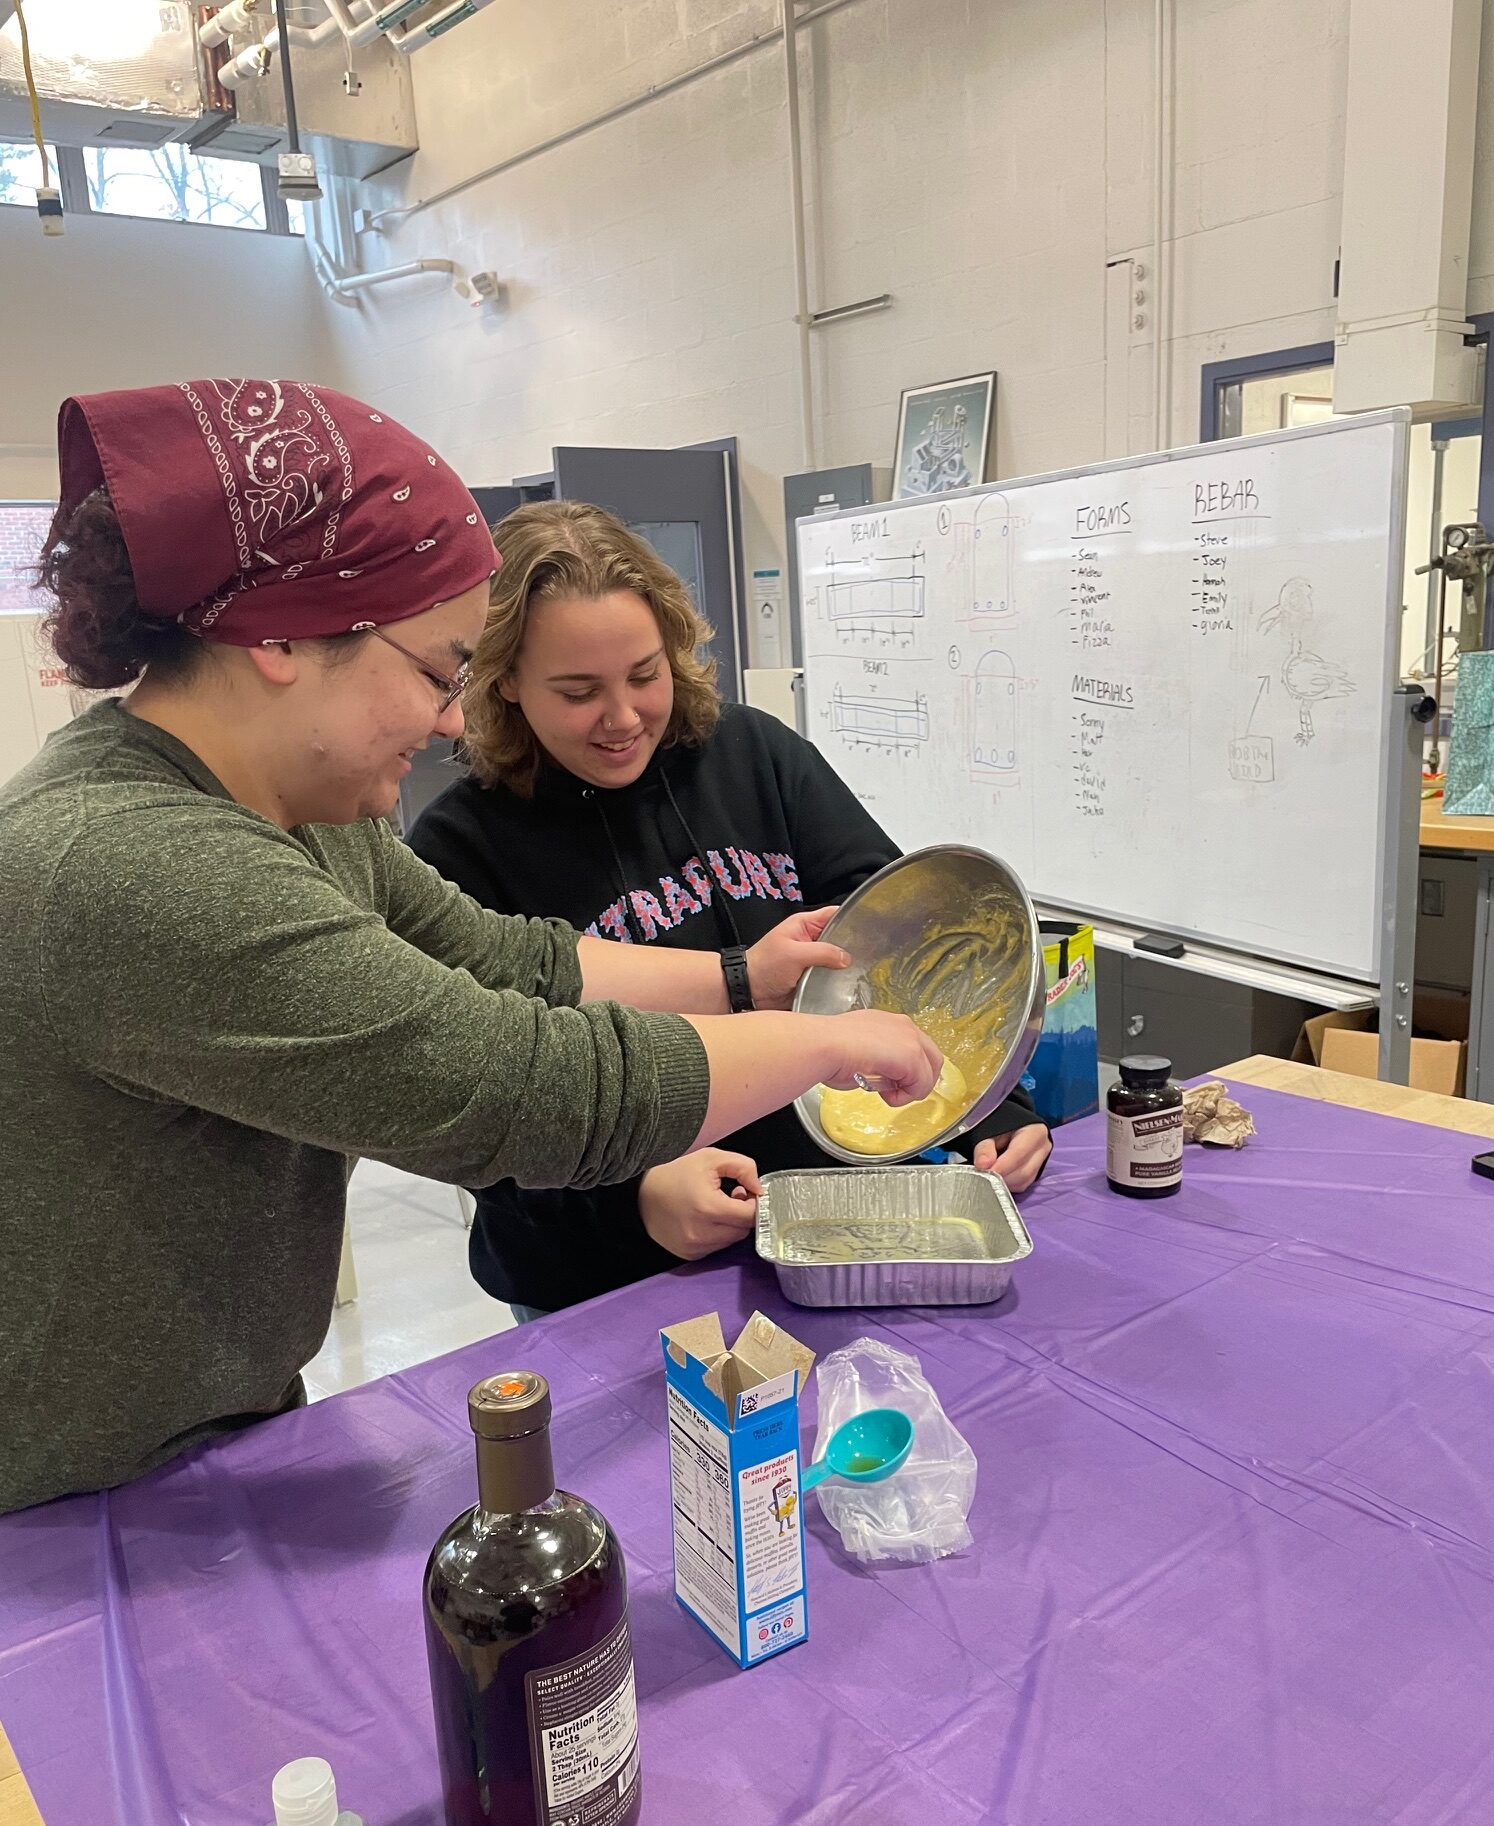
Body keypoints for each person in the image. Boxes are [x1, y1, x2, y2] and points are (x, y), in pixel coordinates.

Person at [0, 380, 941, 1513]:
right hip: (67, 1488)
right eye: (440, 670)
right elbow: (521, 1089)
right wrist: (816, 1045)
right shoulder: (140, 865)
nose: (451, 719)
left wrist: (749, 975)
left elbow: (514, 959)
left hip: (216, 1417)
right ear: (284, 637)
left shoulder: (303, 811)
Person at [409, 501, 1051, 1317]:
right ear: (503, 682)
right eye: (578, 692)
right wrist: (634, 1200)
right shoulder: (459, 849)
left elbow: (917, 942)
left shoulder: (755, 756)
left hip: (826, 1231)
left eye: (646, 674)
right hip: (610, 1276)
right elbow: (478, 1111)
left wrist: (988, 1106)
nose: (624, 717)